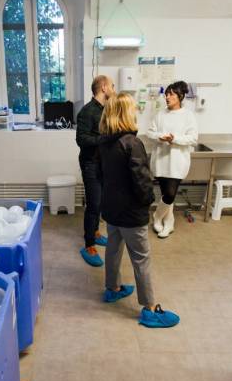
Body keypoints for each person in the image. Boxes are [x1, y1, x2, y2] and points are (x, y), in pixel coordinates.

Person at [98, 92, 180, 328]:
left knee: (113, 249)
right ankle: (150, 308)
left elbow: (103, 176)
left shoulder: (104, 142)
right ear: (125, 113)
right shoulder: (132, 143)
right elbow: (142, 181)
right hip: (131, 213)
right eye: (133, 109)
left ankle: (112, 288)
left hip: (112, 209)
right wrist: (148, 203)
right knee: (141, 258)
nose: (136, 112)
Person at [146, 81, 198, 238]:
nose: (167, 97)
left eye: (171, 94)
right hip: (161, 160)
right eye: (166, 94)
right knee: (166, 195)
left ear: (180, 96)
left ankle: (156, 217)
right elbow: (149, 133)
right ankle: (169, 224)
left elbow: (193, 139)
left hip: (177, 162)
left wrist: (174, 139)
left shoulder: (188, 116)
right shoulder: (160, 114)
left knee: (170, 194)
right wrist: (160, 137)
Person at [76, 75, 115, 267]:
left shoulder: (106, 110)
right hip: (90, 164)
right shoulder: (87, 111)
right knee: (93, 205)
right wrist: (104, 139)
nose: (114, 89)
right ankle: (89, 244)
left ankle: (96, 233)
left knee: (100, 203)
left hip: (103, 164)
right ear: (104, 88)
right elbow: (81, 140)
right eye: (112, 85)